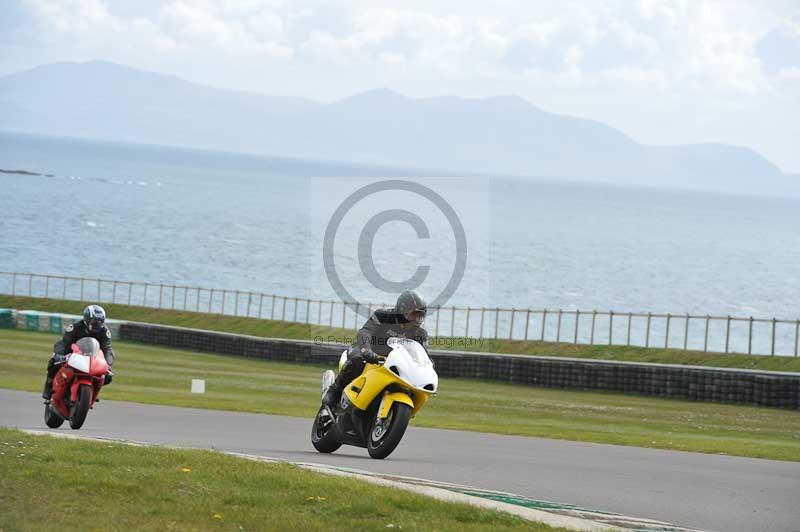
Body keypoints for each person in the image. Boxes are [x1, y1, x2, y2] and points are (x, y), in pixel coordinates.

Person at [322, 289, 429, 408]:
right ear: (402, 310)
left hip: (392, 362)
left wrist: (428, 367)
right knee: (357, 359)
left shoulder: (421, 333)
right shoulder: (383, 316)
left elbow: (423, 355)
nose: (416, 319)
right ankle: (335, 390)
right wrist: (366, 350)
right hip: (369, 352)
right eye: (413, 314)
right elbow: (365, 332)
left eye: (419, 316)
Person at [42, 304, 116, 400]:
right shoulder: (75, 327)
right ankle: (48, 386)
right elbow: (64, 342)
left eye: (100, 321)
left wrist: (107, 363)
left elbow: (107, 349)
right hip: (73, 354)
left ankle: (92, 391)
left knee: (107, 376)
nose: (97, 323)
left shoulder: (104, 332)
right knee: (53, 363)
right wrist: (59, 354)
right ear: (87, 319)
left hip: (93, 357)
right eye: (95, 321)